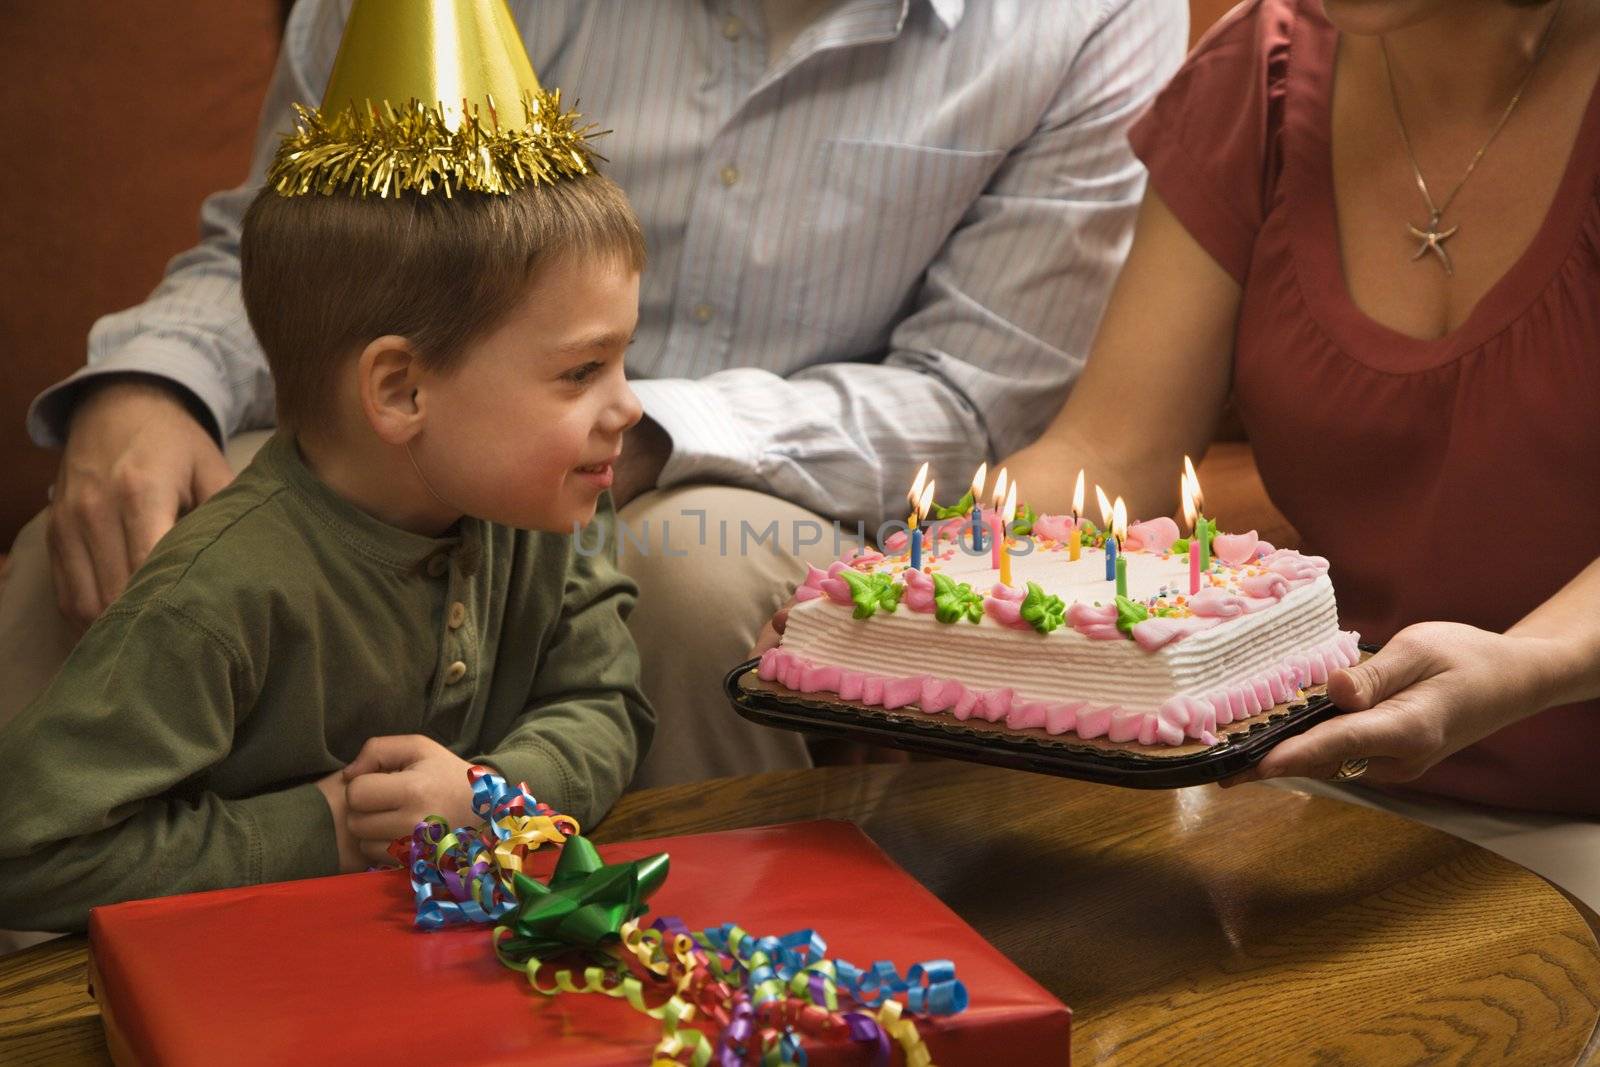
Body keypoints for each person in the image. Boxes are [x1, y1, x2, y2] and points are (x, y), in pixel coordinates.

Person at [0, 0, 1187, 787]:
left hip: (765, 475)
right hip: (400, 424)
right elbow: (293, 249)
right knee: (101, 537)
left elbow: (968, 399)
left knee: (682, 576)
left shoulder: (1088, 18)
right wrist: (155, 380)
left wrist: (634, 427)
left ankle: (697, 981)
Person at [0, 9, 654, 932]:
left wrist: (492, 795)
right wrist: (327, 831)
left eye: (624, 360)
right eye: (584, 371)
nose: (628, 406)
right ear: (400, 390)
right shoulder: (216, 595)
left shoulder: (554, 511)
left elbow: (607, 701)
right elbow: (26, 848)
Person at [1001, 0, 1600, 902]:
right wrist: (904, 610)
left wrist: (1525, 667)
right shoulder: (1262, 67)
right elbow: (1110, 447)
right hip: (1318, 798)